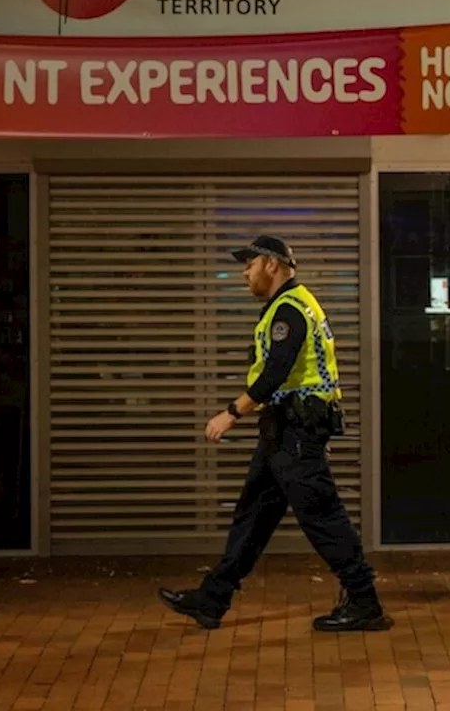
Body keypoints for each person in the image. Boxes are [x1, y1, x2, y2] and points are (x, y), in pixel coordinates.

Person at [158, 235, 392, 632]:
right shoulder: (285, 308)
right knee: (252, 517)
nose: (244, 274)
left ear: (270, 263)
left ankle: (365, 602)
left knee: (323, 518)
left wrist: (231, 413)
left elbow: (278, 370)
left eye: (248, 265)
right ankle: (212, 600)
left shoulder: (290, 309)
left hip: (295, 430)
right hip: (285, 430)